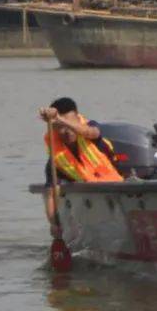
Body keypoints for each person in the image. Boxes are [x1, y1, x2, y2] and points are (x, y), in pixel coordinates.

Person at [39, 97, 122, 237]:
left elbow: (91, 133)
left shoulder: (91, 129)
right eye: (60, 127)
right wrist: (53, 223)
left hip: (118, 191)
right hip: (94, 201)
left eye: (70, 124)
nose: (67, 131)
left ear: (78, 119)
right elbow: (50, 195)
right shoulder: (55, 161)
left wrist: (59, 120)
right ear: (53, 128)